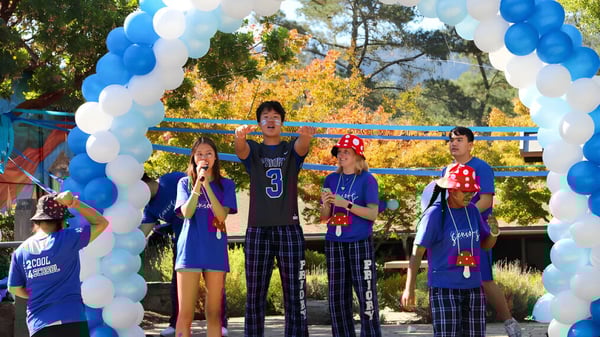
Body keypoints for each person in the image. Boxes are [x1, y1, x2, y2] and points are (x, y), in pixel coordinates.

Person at [234, 100, 316, 337]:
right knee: (255, 294)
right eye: (265, 117)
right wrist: (239, 136)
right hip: (258, 228)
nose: (270, 120)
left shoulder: (290, 149)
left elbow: (302, 146)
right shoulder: (254, 148)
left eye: (275, 116)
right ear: (259, 123)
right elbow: (241, 150)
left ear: (282, 122)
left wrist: (307, 135)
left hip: (289, 228)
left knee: (295, 293)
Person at [402, 163, 499, 337]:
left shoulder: (473, 212)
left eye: (473, 191)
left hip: (474, 288)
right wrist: (409, 288)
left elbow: (484, 245)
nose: (471, 195)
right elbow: (417, 253)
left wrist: (494, 233)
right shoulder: (435, 214)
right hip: (444, 288)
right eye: (465, 191)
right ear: (452, 191)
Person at [447, 126, 521, 337]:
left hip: (477, 230)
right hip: (450, 233)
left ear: (470, 144)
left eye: (459, 140)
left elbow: (486, 200)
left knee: (484, 278)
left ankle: (510, 323)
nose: (454, 143)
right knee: (453, 274)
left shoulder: (482, 167)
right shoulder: (446, 170)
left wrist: (465, 216)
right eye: (451, 139)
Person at [141, 172, 230, 337]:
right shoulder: (150, 209)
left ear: (145, 181)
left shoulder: (173, 180)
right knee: (178, 286)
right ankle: (175, 324)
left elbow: (199, 184)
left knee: (214, 283)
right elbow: (141, 233)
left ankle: (221, 323)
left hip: (207, 236)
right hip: (183, 245)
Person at [8, 191, 109, 337]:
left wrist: (38, 293)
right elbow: (101, 223)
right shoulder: (69, 237)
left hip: (39, 324)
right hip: (72, 319)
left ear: (37, 220)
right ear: (61, 220)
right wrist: (75, 203)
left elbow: (14, 288)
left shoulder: (20, 251)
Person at [174, 136, 237, 337]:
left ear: (216, 157)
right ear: (193, 158)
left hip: (214, 250)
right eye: (199, 154)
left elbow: (221, 215)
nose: (204, 157)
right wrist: (197, 185)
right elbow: (187, 212)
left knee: (214, 312)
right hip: (189, 250)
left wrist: (207, 185)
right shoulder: (184, 183)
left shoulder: (226, 185)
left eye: (208, 153)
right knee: (184, 313)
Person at [320, 134, 382, 337]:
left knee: (366, 296)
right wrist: (327, 204)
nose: (341, 155)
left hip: (359, 242)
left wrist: (345, 203)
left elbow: (372, 213)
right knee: (337, 297)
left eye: (346, 151)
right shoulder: (330, 179)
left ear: (358, 156)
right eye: (339, 151)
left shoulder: (368, 180)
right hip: (334, 242)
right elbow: (324, 218)